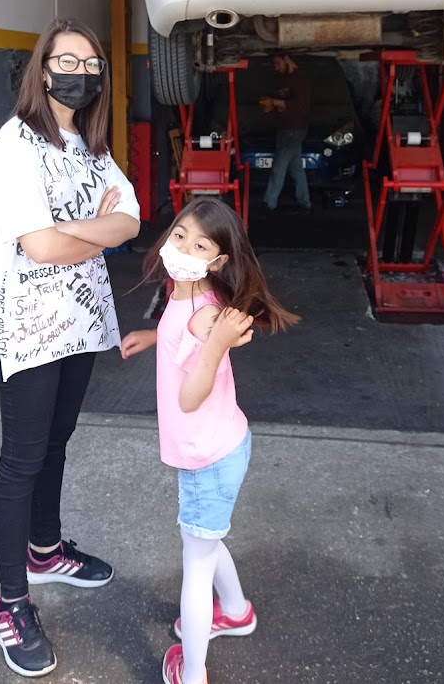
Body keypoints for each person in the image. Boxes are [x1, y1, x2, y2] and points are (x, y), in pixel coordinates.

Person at [0, 17, 141, 678]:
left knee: (56, 443)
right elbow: (40, 247)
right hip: (28, 326)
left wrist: (83, 228)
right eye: (67, 61)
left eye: (92, 63)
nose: (81, 72)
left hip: (80, 320)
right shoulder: (17, 143)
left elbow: (130, 220)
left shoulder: (93, 147)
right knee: (21, 459)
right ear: (42, 71)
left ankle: (44, 550)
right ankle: (10, 603)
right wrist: (94, 227)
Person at [121, 198, 298, 684]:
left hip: (208, 459)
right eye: (180, 235)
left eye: (200, 246)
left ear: (217, 261)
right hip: (221, 445)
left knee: (196, 564)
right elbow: (183, 336)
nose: (183, 248)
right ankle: (236, 611)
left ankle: (192, 671)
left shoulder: (205, 318)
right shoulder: (189, 292)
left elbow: (190, 396)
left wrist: (217, 344)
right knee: (205, 539)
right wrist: (155, 338)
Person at [259, 53, 312, 212]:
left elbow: (298, 105)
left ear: (287, 59)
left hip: (295, 130)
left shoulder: (301, 79)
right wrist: (271, 106)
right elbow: (282, 104)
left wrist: (273, 102)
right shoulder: (283, 79)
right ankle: (304, 201)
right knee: (296, 168)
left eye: (278, 64)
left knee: (279, 166)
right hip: (283, 129)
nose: (276, 68)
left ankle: (269, 202)